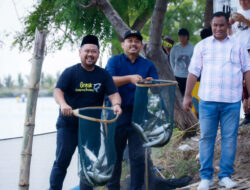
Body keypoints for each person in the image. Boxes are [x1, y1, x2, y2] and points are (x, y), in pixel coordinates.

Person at [183, 12, 250, 190]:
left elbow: (247, 71)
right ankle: (206, 177)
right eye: (215, 25)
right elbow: (193, 72)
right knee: (206, 138)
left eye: (222, 25)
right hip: (207, 101)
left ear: (227, 26)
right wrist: (187, 96)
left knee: (229, 139)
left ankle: (225, 176)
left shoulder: (239, 46)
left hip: (232, 101)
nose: (218, 28)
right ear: (211, 26)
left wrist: (249, 96)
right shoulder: (202, 46)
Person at [49, 34, 122, 190]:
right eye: (87, 51)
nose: (90, 54)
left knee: (89, 166)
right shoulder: (70, 72)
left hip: (91, 129)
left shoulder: (103, 75)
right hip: (68, 126)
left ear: (98, 54)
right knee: (61, 162)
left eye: (94, 51)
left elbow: (114, 94)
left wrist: (116, 105)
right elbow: (58, 91)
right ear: (80, 52)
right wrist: (63, 104)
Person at [105, 30, 158, 190]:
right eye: (129, 40)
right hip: (116, 114)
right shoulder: (114, 61)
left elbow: (156, 89)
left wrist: (151, 84)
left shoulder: (148, 65)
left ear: (141, 45)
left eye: (137, 41)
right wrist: (129, 78)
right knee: (114, 156)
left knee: (138, 157)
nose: (133, 43)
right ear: (123, 44)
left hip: (139, 115)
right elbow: (109, 82)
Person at [228, 0, 250, 126]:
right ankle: (247, 115)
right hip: (238, 51)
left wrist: (244, 19)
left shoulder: (243, 15)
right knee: (241, 83)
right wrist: (229, 25)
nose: (242, 2)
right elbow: (231, 35)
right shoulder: (236, 14)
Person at [170, 28, 194, 96]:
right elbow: (172, 61)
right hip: (177, 76)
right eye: (180, 36)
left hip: (188, 76)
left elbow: (193, 62)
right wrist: (174, 71)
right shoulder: (175, 48)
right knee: (178, 95)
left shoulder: (192, 48)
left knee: (187, 95)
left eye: (184, 36)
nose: (182, 38)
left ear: (187, 37)